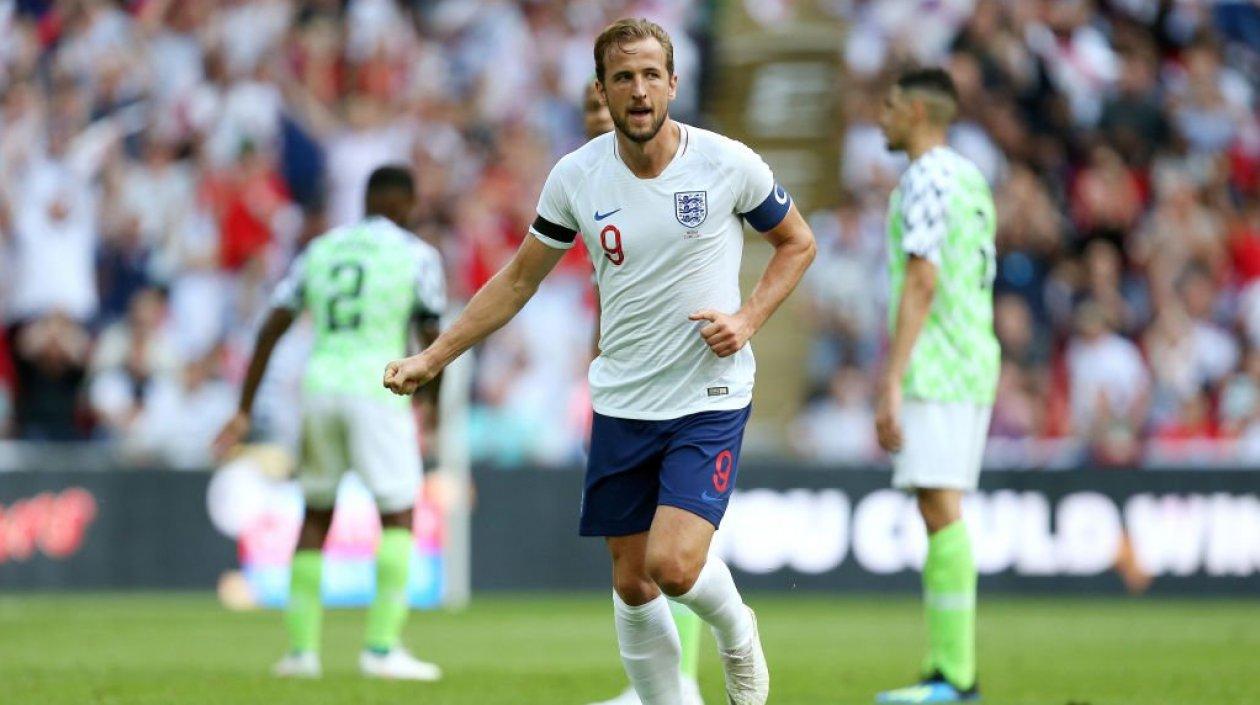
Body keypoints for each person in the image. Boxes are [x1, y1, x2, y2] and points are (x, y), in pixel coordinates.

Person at [383, 18, 816, 705]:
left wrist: (747, 318)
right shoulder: (576, 178)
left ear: (673, 83)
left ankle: (737, 629)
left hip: (708, 392)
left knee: (672, 565)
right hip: (622, 400)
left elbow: (796, 242)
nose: (638, 90)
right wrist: (435, 355)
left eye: (651, 75)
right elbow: (519, 280)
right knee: (631, 579)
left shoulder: (727, 162)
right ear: (601, 91)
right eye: (623, 77)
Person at [213, 165, 446, 681]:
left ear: (366, 201)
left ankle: (301, 653)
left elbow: (271, 327)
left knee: (316, 514)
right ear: (405, 204)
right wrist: (430, 406)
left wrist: (244, 407)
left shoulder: (321, 250)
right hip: (381, 388)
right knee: (400, 516)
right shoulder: (417, 254)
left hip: (318, 389)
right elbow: (433, 334)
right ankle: (382, 649)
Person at [578, 78, 705, 705]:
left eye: (610, 109)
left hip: (689, 388)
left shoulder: (682, 176)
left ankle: (681, 682)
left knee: (676, 550)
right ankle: (658, 685)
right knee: (633, 560)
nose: (605, 120)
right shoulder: (586, 184)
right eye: (594, 111)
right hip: (625, 386)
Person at [874, 68, 998, 703]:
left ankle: (955, 678)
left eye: (891, 104)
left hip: (940, 364)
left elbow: (923, 279)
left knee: (941, 508)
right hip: (972, 356)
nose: (882, 116)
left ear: (918, 110)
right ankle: (946, 671)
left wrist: (891, 379)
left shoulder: (924, 177)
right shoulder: (970, 174)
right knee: (938, 507)